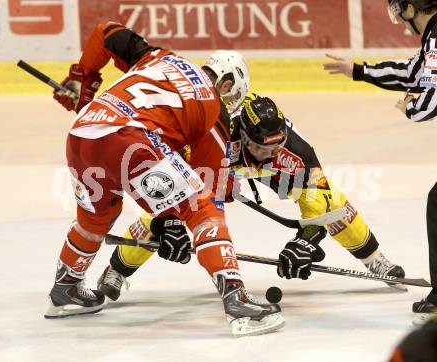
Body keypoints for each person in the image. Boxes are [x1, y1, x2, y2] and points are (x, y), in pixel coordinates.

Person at [45, 21, 288, 337]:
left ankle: (66, 290)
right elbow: (208, 190)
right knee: (203, 208)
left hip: (82, 135)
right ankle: (236, 299)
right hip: (130, 139)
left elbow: (105, 32)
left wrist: (83, 77)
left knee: (96, 218)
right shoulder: (215, 111)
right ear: (227, 86)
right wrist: (177, 219)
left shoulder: (160, 57)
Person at [97, 91, 406, 301]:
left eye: (276, 146)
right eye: (262, 148)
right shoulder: (215, 136)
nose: (270, 153)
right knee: (172, 209)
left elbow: (324, 204)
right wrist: (169, 226)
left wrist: (305, 241)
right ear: (242, 135)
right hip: (220, 166)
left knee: (332, 200)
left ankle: (376, 261)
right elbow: (170, 184)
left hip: (263, 173)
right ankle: (116, 271)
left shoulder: (295, 152)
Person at [323, 0, 437, 320]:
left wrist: (410, 108)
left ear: (414, 8)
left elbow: (430, 100)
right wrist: (358, 71)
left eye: (401, 8)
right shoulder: (433, 37)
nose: (399, 17)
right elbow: (414, 72)